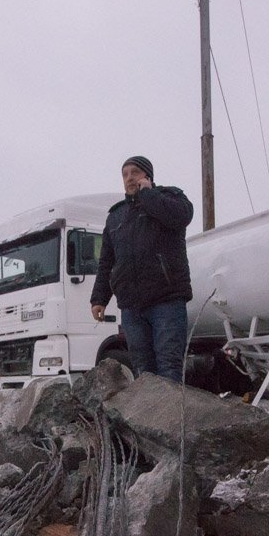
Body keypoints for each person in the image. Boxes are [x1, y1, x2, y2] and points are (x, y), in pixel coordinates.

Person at [90, 155, 194, 382]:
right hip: (131, 306)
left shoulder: (170, 198)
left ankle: (173, 418)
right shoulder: (116, 215)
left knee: (169, 367)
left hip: (166, 300)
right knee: (143, 370)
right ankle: (148, 419)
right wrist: (99, 298)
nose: (129, 178)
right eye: (125, 174)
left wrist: (148, 194)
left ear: (147, 175)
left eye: (134, 172)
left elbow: (182, 217)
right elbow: (107, 260)